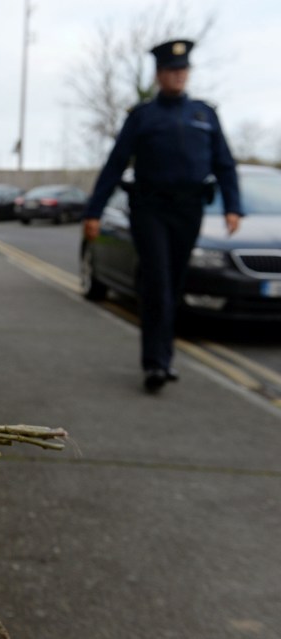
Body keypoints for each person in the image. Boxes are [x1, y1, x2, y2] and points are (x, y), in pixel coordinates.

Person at [82, 39, 242, 393]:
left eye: (183, 70)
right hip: (150, 209)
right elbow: (115, 164)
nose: (178, 76)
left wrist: (233, 206)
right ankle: (155, 363)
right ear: (159, 75)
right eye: (172, 71)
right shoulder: (143, 116)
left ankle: (165, 357)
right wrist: (94, 212)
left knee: (173, 283)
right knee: (157, 282)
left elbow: (225, 164)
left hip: (189, 210)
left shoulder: (205, 114)